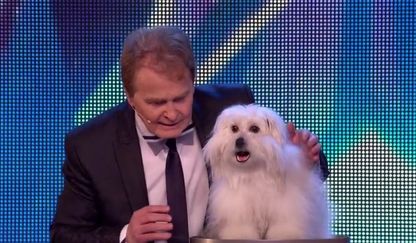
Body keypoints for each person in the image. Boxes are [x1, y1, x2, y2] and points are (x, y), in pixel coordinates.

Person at [50, 25, 329, 243]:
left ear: (193, 81)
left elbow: (279, 171)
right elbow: (65, 235)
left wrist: (304, 159)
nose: (171, 113)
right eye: (156, 103)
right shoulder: (91, 147)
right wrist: (125, 235)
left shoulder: (230, 106)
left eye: (180, 98)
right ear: (130, 97)